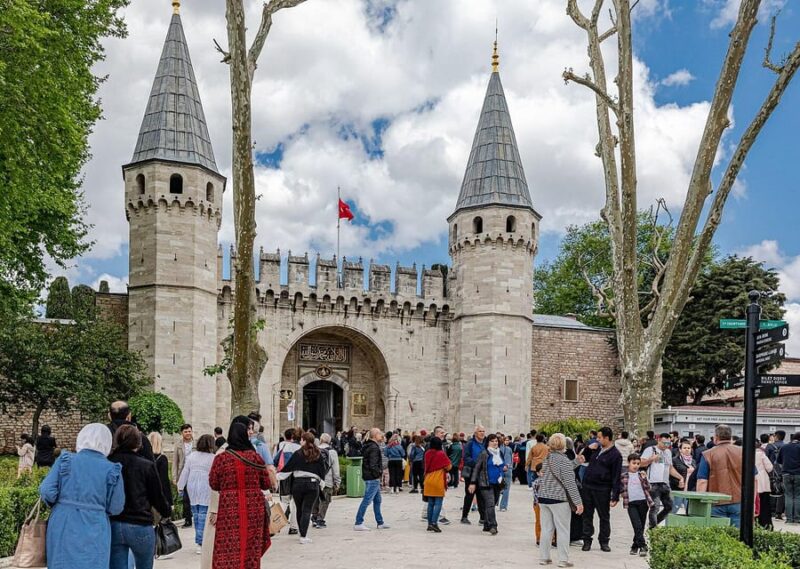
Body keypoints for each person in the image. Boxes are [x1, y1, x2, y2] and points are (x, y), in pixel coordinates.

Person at [39, 424, 125, 569]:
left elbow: (46, 490)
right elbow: (116, 506)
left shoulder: (66, 459)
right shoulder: (112, 469)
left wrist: (60, 504)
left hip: (63, 521)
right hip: (96, 524)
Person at [209, 421, 271, 569]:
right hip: (253, 509)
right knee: (251, 546)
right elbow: (266, 483)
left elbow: (213, 483)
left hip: (229, 508)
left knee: (228, 543)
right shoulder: (255, 458)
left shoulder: (221, 459)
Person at [108, 424, 171, 569]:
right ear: (139, 443)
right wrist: (166, 511)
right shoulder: (146, 465)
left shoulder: (108, 462)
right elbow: (157, 496)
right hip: (140, 523)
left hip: (114, 523)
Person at [537, 433, 584, 568]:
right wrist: (578, 502)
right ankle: (563, 560)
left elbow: (560, 470)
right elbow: (570, 483)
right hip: (559, 499)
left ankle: (544, 558)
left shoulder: (547, 458)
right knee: (563, 529)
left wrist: (576, 462)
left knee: (546, 529)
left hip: (544, 497)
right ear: (564, 445)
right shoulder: (563, 460)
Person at [578, 426, 622, 552]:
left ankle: (604, 541)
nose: (597, 439)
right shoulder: (595, 449)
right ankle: (587, 540)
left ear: (607, 438)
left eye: (599, 437)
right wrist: (588, 448)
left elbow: (616, 476)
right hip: (588, 486)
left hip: (602, 489)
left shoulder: (615, 455)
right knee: (587, 515)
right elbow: (582, 459)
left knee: (604, 516)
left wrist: (615, 495)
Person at [281, 432, 327, 543]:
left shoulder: (298, 453)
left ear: (304, 440)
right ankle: (303, 536)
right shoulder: (318, 453)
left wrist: (277, 477)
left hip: (298, 484)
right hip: (312, 484)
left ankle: (301, 533)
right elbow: (322, 470)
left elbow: (288, 468)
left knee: (299, 509)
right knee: (307, 510)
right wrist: (322, 483)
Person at [696, 424, 744, 528]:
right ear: (730, 437)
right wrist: (752, 502)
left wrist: (700, 504)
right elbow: (754, 479)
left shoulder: (708, 454)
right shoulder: (743, 452)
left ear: (716, 437)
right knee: (738, 537)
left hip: (715, 502)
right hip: (739, 501)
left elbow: (702, 481)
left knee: (717, 536)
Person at [178, 434, 216, 553]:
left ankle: (199, 541)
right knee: (203, 515)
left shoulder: (192, 456)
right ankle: (201, 541)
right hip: (206, 486)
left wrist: (180, 486)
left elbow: (185, 472)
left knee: (196, 514)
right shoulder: (213, 457)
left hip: (192, 486)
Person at [640, 433, 684, 528]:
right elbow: (641, 463)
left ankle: (653, 524)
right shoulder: (651, 450)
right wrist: (651, 459)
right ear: (658, 440)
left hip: (665, 483)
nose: (666, 445)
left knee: (669, 507)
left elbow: (670, 468)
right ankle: (653, 529)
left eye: (668, 443)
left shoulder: (668, 452)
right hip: (653, 483)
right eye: (664, 443)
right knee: (654, 507)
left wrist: (680, 477)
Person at [469, 433, 504, 535]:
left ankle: (486, 524)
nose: (494, 443)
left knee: (494, 503)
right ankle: (493, 525)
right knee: (490, 504)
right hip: (485, 483)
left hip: (498, 483)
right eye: (492, 441)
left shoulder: (499, 453)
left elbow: (502, 465)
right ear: (488, 442)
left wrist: (503, 469)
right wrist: (472, 482)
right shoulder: (484, 453)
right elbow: (477, 468)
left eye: (496, 441)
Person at [354, 428, 390, 531]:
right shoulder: (374, 447)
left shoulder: (368, 445)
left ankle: (380, 522)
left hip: (369, 476)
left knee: (378, 500)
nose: (382, 435)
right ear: (375, 435)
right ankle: (358, 522)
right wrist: (377, 474)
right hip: (372, 478)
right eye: (380, 434)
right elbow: (373, 464)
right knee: (367, 500)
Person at [619, 453, 652, 557]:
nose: (636, 465)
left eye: (638, 463)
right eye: (634, 463)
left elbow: (648, 488)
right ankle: (643, 546)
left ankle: (634, 546)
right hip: (631, 504)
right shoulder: (623, 476)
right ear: (629, 463)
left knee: (640, 526)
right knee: (636, 525)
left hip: (643, 503)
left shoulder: (641, 475)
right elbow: (619, 488)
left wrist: (645, 478)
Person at [275, 428, 302, 535]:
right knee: (295, 503)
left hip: (285, 477)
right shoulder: (301, 448)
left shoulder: (285, 447)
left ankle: (276, 524)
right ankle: (294, 527)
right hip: (297, 477)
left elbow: (275, 460)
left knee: (284, 501)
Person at [423, 436, 452, 532]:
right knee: (438, 503)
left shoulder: (427, 453)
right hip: (438, 480)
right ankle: (434, 523)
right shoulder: (441, 454)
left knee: (430, 503)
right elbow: (448, 466)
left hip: (428, 480)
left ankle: (429, 524)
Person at [312, 433, 341, 528]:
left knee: (315, 499)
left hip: (314, 479)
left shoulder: (314, 450)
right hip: (327, 481)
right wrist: (337, 482)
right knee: (325, 500)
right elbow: (336, 470)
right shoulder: (332, 452)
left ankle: (314, 517)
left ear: (320, 440)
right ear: (330, 441)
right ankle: (320, 520)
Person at [461, 425, 487, 524]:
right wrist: (477, 464)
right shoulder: (470, 444)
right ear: (476, 433)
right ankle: (464, 516)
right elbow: (466, 457)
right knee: (469, 494)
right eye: (480, 431)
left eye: (483, 431)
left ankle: (483, 518)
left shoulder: (485, 443)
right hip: (471, 472)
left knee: (481, 495)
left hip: (482, 473)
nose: (482, 433)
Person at [148, 432, 174, 521]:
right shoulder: (162, 459)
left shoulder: (143, 458)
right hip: (158, 498)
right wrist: (170, 502)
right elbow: (164, 481)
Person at [173, 423, 194, 528]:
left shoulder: (196, 444)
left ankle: (195, 516)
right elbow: (175, 462)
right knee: (185, 498)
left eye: (189, 431)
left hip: (194, 474)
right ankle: (188, 520)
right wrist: (174, 477)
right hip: (183, 474)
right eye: (186, 431)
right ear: (182, 433)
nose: (188, 433)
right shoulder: (178, 445)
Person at [778, 431, 800, 524]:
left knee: (788, 496)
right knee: (798, 496)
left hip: (786, 474)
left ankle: (789, 519)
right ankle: (797, 518)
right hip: (799, 474)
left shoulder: (784, 447)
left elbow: (779, 461)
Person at [671, 440, 695, 514]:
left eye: (689, 448)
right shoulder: (674, 460)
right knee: (673, 510)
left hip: (689, 490)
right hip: (678, 489)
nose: (687, 450)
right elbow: (670, 476)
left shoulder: (693, 461)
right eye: (684, 448)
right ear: (680, 449)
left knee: (689, 511)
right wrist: (677, 482)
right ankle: (667, 525)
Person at [754, 438, 774, 529]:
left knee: (754, 505)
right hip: (763, 483)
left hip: (752, 484)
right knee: (765, 506)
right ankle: (766, 524)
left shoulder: (744, 454)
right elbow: (769, 467)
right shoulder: (761, 454)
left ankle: (755, 523)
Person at [499, 435, 514, 511]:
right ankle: (503, 506)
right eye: (506, 440)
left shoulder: (498, 449)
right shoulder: (509, 449)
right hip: (508, 469)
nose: (507, 442)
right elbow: (511, 461)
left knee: (498, 487)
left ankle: (496, 502)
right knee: (506, 488)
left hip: (500, 469)